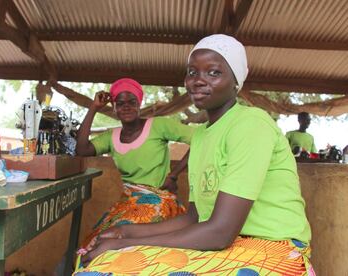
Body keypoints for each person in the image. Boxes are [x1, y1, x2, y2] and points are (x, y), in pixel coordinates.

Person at [77, 35, 314, 275]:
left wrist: (125, 244)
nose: (198, 81)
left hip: (274, 245)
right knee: (104, 263)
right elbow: (194, 217)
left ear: (236, 81)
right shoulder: (201, 135)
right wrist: (124, 232)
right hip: (227, 240)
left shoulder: (250, 124)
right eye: (192, 73)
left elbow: (220, 232)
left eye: (213, 73)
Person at [75, 77, 195, 249]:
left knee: (122, 243)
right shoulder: (112, 136)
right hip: (129, 202)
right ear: (114, 107)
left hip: (160, 199)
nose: (126, 107)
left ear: (140, 103)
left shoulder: (158, 125)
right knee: (94, 242)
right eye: (120, 103)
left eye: (132, 101)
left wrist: (174, 175)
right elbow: (81, 150)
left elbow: (199, 139)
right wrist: (94, 108)